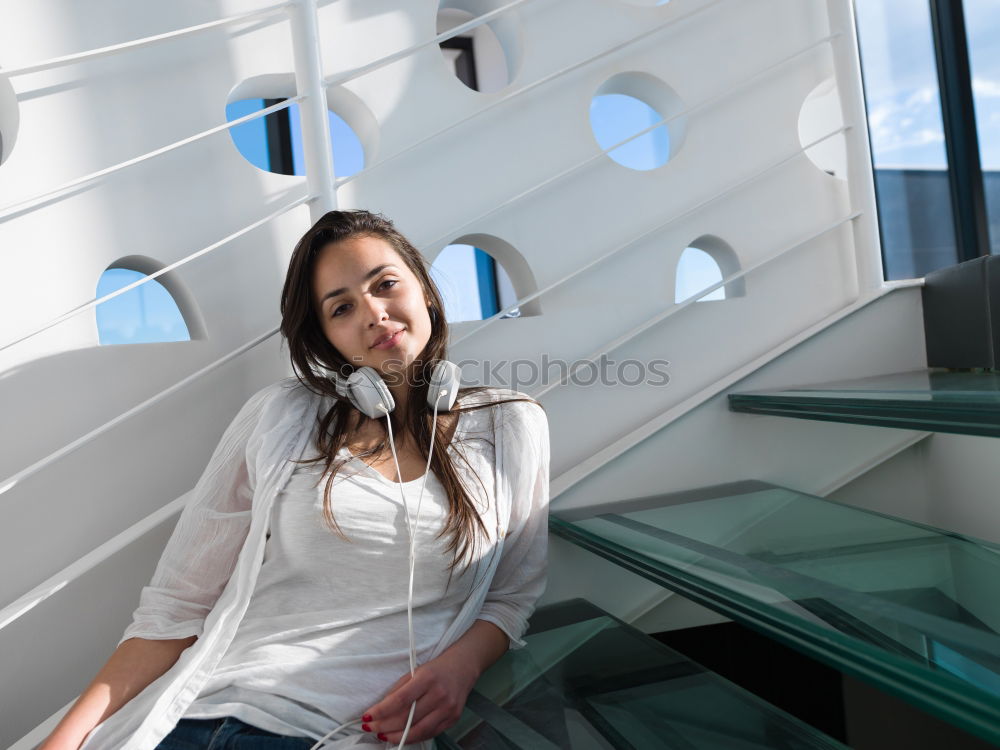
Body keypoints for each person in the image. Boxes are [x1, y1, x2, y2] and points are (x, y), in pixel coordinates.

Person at [39, 210, 551, 750]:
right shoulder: (281, 416)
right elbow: (174, 609)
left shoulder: (510, 422)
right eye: (342, 307)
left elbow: (512, 594)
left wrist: (460, 668)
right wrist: (60, 743)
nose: (374, 313)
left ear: (424, 289)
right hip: (193, 718)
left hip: (332, 735)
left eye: (386, 284)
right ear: (327, 337)